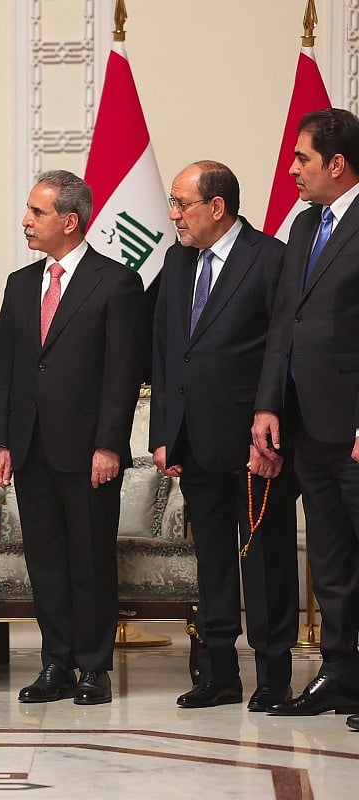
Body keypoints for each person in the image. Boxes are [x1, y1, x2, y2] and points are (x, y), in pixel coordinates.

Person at [0, 170, 144, 706]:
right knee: (46, 561)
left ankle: (94, 666)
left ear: (70, 221)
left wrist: (109, 445)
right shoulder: (19, 284)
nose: (25, 221)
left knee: (91, 559)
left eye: (37, 212)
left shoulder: (116, 282)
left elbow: (122, 374)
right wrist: (0, 441)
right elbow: (4, 369)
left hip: (88, 450)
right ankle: (56, 662)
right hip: (30, 448)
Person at [150, 162, 298, 711]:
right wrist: (165, 431)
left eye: (181, 204)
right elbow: (165, 350)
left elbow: (281, 349)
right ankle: (218, 675)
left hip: (254, 443)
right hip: (194, 441)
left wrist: (269, 421)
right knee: (211, 560)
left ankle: (273, 677)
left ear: (217, 207)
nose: (173, 214)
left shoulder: (271, 258)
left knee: (265, 560)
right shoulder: (176, 259)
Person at [253, 108, 359, 728]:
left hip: (354, 429)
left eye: (302, 158)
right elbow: (283, 324)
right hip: (306, 427)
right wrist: (268, 404)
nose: (291, 169)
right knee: (332, 559)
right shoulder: (303, 225)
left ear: (336, 164)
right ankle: (340, 675)